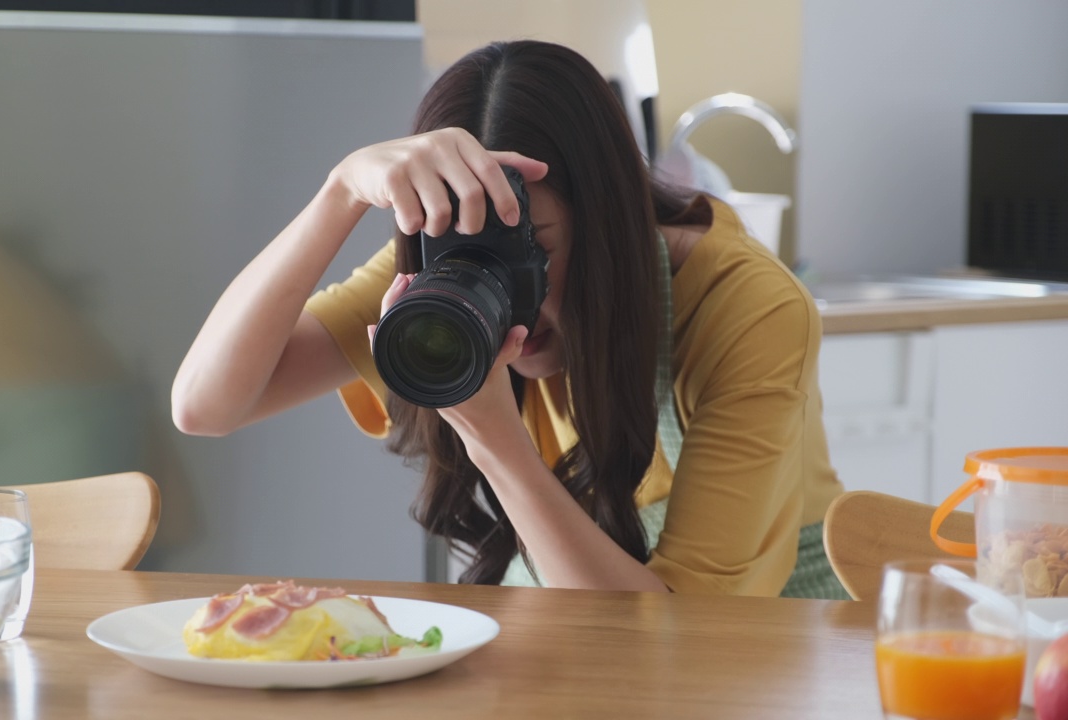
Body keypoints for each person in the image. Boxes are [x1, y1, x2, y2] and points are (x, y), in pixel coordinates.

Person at [172, 40, 848, 598]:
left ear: (609, 219)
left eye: (537, 249)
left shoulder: (749, 309)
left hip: (760, 635)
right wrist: (340, 191)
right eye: (472, 250)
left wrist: (493, 438)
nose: (501, 288)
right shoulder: (459, 251)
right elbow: (206, 406)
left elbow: (674, 635)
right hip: (579, 606)